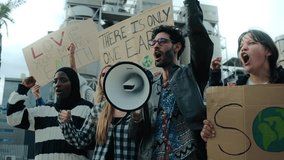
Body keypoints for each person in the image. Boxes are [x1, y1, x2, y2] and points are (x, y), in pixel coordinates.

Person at [129, 0, 214, 159]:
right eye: (153, 42)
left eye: (162, 41)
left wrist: (190, 3)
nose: (155, 45)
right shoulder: (149, 87)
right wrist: (136, 119)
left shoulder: (191, 75)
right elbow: (135, 136)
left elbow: (200, 41)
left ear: (177, 47)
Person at [201, 29, 284, 141]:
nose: (243, 48)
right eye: (241, 46)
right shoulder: (236, 91)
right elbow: (223, 124)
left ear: (268, 50)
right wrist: (210, 133)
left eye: (251, 43)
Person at [6, 67, 93, 160]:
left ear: (74, 84)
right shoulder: (43, 111)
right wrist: (23, 88)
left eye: (63, 80)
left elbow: (94, 147)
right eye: (55, 81)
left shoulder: (87, 109)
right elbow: (13, 118)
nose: (57, 84)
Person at [58, 65, 142, 159]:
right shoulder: (97, 110)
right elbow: (81, 141)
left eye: (110, 73)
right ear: (100, 82)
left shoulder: (135, 107)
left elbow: (144, 140)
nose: (106, 76)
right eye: (103, 75)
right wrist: (67, 123)